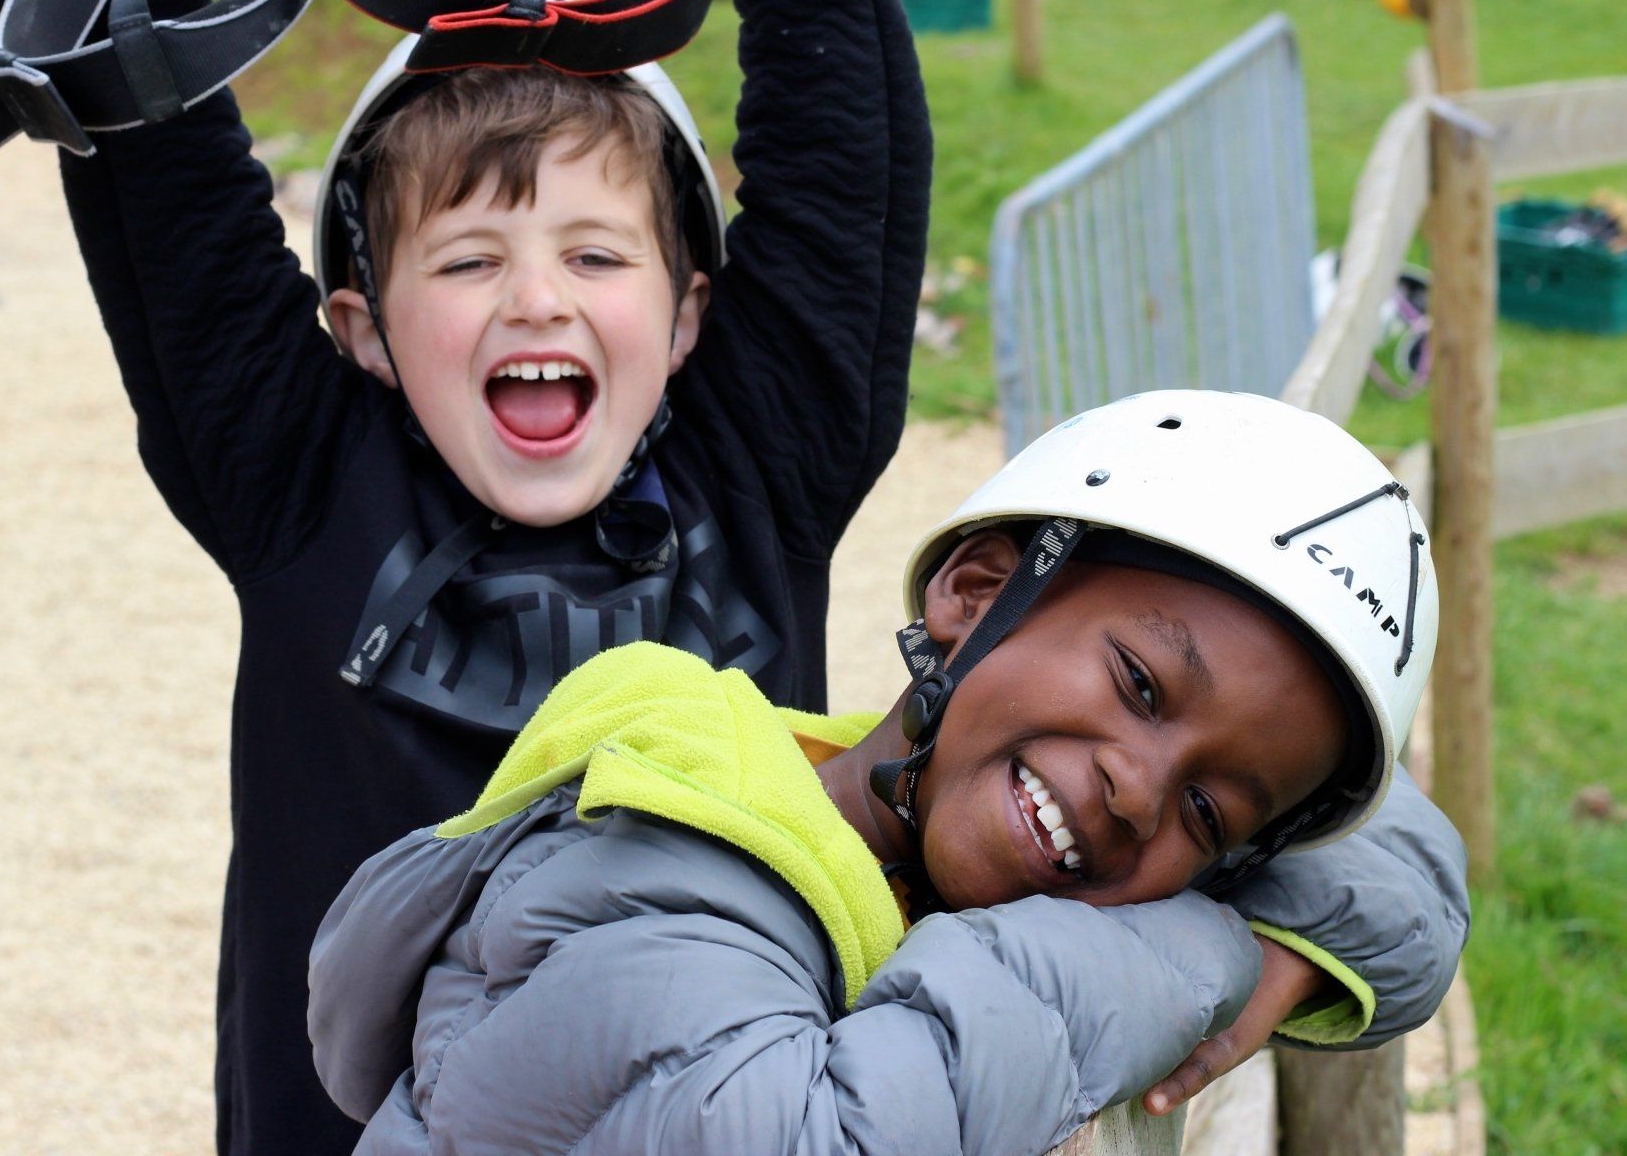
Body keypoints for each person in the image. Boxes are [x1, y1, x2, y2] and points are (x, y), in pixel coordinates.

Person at [55, 0, 930, 1151]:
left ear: (689, 315)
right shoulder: (298, 480)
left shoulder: (758, 472)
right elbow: (171, 202)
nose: (535, 299)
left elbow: (843, 189)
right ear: (362, 329)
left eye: (596, 255)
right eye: (468, 260)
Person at [308, 390, 1471, 1156]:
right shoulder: (668, 868)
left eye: (1212, 809)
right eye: (1141, 683)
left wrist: (1280, 930)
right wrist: (1200, 947)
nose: (1137, 790)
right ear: (973, 593)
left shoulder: (913, 822)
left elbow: (1410, 869)